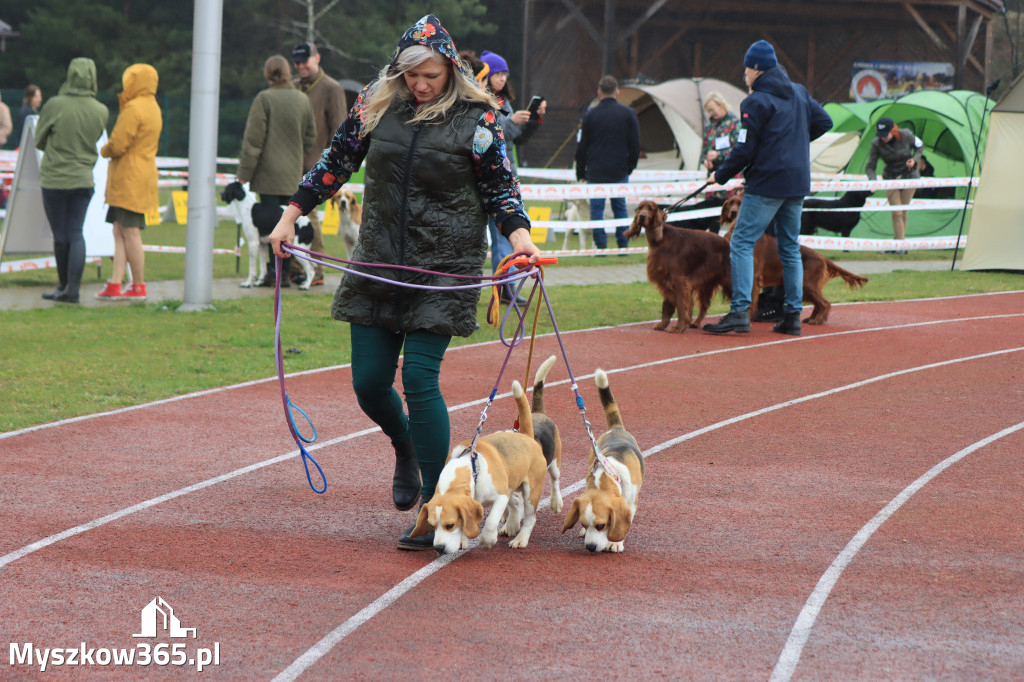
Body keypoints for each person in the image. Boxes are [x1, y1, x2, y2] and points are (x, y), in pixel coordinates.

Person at [268, 14, 541, 550]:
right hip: (378, 265)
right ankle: (406, 447)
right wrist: (290, 215)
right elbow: (335, 161)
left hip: (444, 268)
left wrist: (521, 237)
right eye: (412, 73)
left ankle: (431, 506)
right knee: (369, 382)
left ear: (451, 71)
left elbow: (501, 188)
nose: (420, 84)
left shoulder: (478, 118)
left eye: (432, 75)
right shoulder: (375, 105)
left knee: (418, 378)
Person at [703, 40, 832, 337]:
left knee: (741, 242)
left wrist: (719, 176)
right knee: (789, 248)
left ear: (757, 69)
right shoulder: (799, 91)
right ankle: (792, 317)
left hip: (768, 183)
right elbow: (824, 121)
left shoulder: (755, 101)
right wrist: (793, 144)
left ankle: (739, 312)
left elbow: (745, 149)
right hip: (797, 183)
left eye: (746, 69)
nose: (744, 74)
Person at [468, 48, 546, 301]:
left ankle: (504, 285)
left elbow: (517, 139)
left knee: (504, 237)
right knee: (476, 240)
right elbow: (493, 135)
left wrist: (533, 120)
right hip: (484, 179)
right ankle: (481, 290)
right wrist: (515, 123)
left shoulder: (505, 102)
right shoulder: (479, 103)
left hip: (504, 178)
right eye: (497, 73)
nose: (502, 79)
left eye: (505, 74)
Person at [34, 58, 109, 304]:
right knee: (76, 232)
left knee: (60, 234)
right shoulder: (101, 110)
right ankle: (74, 289)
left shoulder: (54, 105)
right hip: (84, 178)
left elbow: (38, 140)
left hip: (55, 178)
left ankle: (63, 285)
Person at [237, 55, 316, 287]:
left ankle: (272, 275)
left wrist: (244, 173)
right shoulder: (302, 99)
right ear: (287, 72)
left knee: (270, 228)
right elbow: (311, 138)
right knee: (289, 225)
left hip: (267, 178)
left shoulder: (264, 99)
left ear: (267, 73)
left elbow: (253, 141)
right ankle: (285, 274)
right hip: (293, 176)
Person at [95, 64, 163, 300]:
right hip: (140, 175)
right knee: (119, 229)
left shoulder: (134, 108)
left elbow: (118, 144)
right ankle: (116, 283)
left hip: (129, 177)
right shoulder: (153, 106)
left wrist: (104, 149)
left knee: (130, 232)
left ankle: (138, 285)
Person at [290, 42, 348, 287]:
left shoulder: (331, 88)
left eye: (306, 61)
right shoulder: (292, 88)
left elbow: (340, 130)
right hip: (290, 163)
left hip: (316, 166)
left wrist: (330, 165)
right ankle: (297, 268)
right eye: (297, 62)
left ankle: (317, 268)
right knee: (291, 216)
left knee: (309, 216)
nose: (301, 66)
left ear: (317, 58)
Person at [574, 75, 640, 250]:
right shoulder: (629, 114)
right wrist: (630, 166)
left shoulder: (590, 115)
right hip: (620, 170)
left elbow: (582, 147)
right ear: (617, 92)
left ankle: (601, 246)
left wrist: (580, 172)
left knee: (597, 211)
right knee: (620, 208)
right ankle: (623, 244)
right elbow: (635, 145)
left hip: (595, 171)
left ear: (599, 93)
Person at [865, 116, 923, 247]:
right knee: (896, 211)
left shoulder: (906, 135)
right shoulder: (876, 144)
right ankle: (900, 246)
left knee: (903, 211)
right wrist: (873, 181)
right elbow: (870, 166)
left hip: (909, 177)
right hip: (890, 178)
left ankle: (897, 243)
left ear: (893, 130)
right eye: (881, 135)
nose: (883, 138)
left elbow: (920, 146)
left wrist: (914, 160)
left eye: (885, 134)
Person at [10, 84, 42, 150]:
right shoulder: (26, 112)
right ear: (30, 97)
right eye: (36, 96)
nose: (40, 99)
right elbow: (23, 132)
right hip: (26, 147)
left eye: (40, 96)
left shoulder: (35, 112)